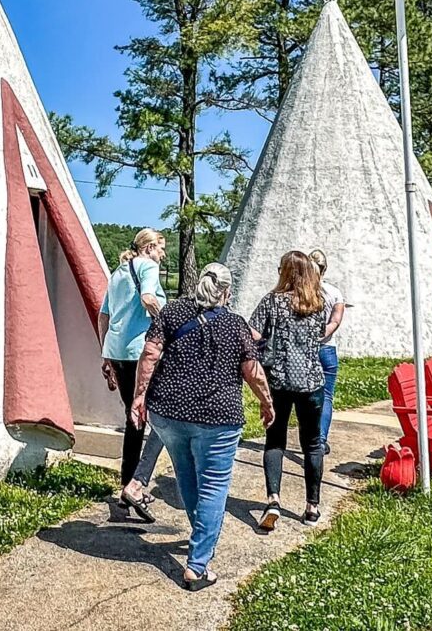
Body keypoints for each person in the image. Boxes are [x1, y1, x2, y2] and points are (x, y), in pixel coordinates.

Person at [131, 263, 273, 590]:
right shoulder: (235, 324)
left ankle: (200, 538)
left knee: (186, 475)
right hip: (217, 418)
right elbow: (252, 370)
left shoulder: (172, 312)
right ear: (225, 292)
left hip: (169, 412)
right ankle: (197, 564)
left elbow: (150, 353)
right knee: (213, 485)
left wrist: (139, 398)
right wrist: (267, 402)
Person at [248, 250, 331, 530]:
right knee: (312, 443)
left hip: (279, 381)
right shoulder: (317, 302)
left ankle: (273, 500)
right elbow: (322, 333)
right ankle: (312, 506)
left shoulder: (272, 301)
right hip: (311, 381)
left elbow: (253, 334)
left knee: (274, 440)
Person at [98, 227, 167, 519]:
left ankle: (128, 483)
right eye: (161, 248)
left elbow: (104, 314)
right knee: (156, 414)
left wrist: (105, 351)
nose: (163, 255)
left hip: (116, 349)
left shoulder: (117, 273)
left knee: (133, 415)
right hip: (140, 349)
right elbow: (148, 298)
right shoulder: (148, 266)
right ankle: (135, 484)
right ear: (149, 247)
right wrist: (167, 317)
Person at [307, 248, 346, 455]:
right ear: (325, 268)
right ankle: (320, 441)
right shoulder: (335, 293)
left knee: (303, 398)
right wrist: (323, 333)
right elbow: (336, 321)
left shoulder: (300, 291)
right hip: (327, 349)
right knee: (326, 397)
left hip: (304, 350)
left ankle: (308, 440)